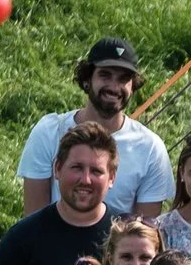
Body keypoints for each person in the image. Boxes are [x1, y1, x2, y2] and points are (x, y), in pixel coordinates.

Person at [0, 122, 120, 265]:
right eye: (77, 168)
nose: (85, 180)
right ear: (57, 168)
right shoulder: (22, 237)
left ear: (112, 178)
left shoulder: (127, 235)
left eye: (96, 171)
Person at [19, 37, 170, 218]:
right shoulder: (49, 131)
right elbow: (34, 222)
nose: (114, 87)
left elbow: (145, 232)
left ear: (133, 86)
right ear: (87, 79)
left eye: (123, 79)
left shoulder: (151, 148)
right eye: (105, 75)